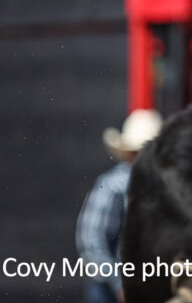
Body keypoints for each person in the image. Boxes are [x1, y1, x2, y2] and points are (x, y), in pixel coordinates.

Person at [76, 108, 163, 303]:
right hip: (109, 288)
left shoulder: (160, 187)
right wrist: (118, 282)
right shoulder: (114, 186)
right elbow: (92, 241)